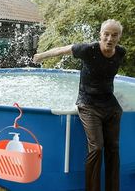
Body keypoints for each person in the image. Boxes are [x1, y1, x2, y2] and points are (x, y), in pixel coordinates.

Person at [33, 19, 126, 191]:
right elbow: (61, 50)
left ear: (119, 37)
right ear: (100, 34)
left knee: (113, 148)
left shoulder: (120, 52)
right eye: (106, 34)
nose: (109, 38)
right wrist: (41, 56)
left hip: (110, 105)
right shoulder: (88, 50)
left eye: (114, 35)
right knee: (97, 147)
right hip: (88, 104)